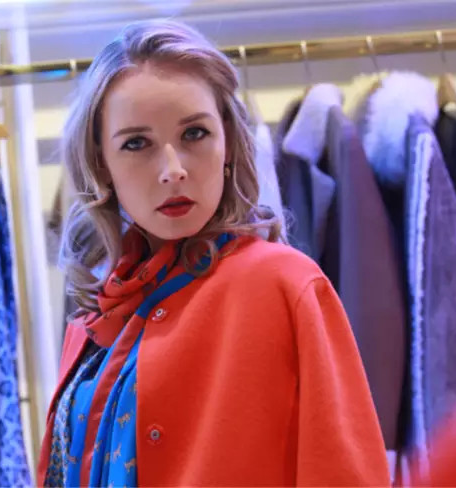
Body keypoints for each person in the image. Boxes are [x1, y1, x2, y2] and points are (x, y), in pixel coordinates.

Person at [38, 19, 390, 487]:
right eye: (136, 144)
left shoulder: (283, 286)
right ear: (102, 163)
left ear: (226, 140)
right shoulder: (96, 313)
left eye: (194, 134)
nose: (173, 170)